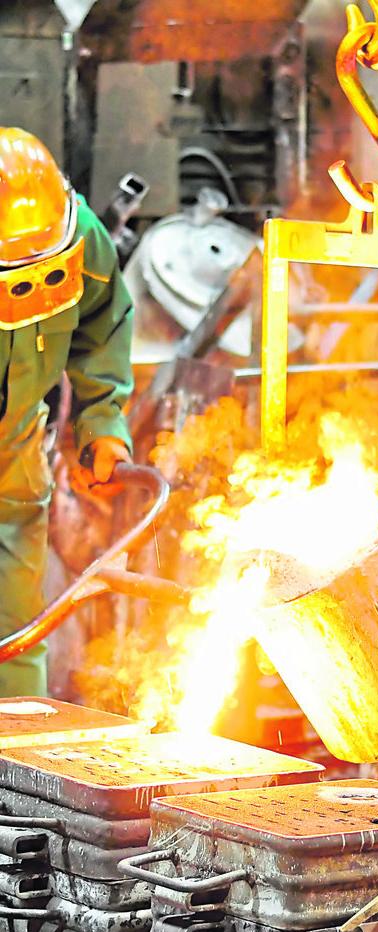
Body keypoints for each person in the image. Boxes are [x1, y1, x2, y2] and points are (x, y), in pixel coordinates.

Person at [0, 127, 134, 696]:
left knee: (17, 628)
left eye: (41, 252)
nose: (32, 261)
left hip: (14, 458)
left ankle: (16, 763)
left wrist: (101, 422)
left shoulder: (82, 241)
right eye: (17, 256)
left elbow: (101, 328)